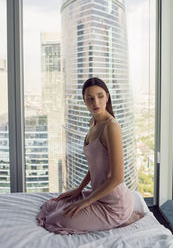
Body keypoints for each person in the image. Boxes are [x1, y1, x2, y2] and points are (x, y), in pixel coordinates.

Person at [37, 77, 143, 234]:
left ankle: (125, 217)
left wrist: (86, 202)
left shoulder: (111, 127)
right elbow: (95, 166)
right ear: (84, 101)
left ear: (107, 97)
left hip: (114, 204)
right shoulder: (92, 123)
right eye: (90, 98)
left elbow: (118, 178)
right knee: (52, 206)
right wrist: (78, 189)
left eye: (100, 96)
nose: (96, 103)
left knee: (55, 221)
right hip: (98, 195)